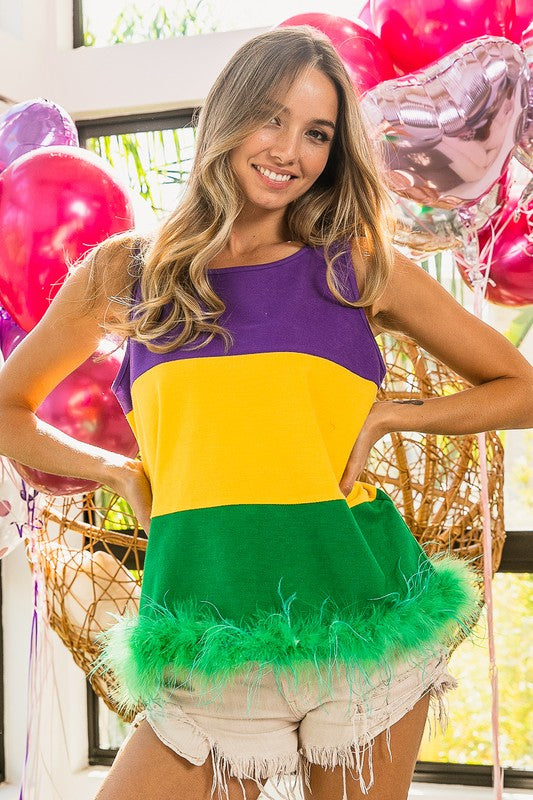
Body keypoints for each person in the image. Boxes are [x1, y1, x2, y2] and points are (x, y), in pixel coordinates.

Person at [0, 24, 531, 800]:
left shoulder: (357, 265)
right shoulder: (127, 271)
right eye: (271, 118)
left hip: (362, 627)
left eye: (317, 133)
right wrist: (116, 471)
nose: (289, 151)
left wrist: (391, 417)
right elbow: (9, 406)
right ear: (229, 114)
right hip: (207, 636)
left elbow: (518, 386)